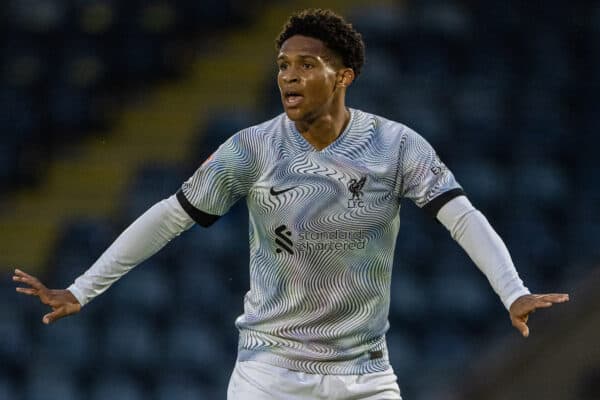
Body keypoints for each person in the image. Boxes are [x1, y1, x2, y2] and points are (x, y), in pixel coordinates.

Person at [13, 8, 569, 400]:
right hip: (269, 375)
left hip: (365, 376)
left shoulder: (397, 146)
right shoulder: (251, 149)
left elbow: (461, 216)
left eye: (306, 63)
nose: (289, 75)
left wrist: (513, 291)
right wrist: (83, 287)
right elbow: (169, 216)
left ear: (344, 76)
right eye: (283, 64)